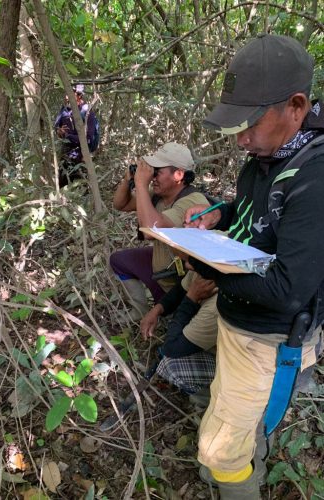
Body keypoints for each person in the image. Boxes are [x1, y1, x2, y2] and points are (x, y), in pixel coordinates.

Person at [184, 34, 324, 499]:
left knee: (221, 453)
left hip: (268, 339)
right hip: (238, 320)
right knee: (236, 431)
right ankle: (244, 457)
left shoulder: (316, 175)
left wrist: (210, 264)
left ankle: (240, 478)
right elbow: (261, 213)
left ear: (296, 105)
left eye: (248, 125)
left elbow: (289, 288)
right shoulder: (269, 154)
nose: (240, 139)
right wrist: (220, 214)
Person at [110, 142, 210, 321]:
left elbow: (150, 231)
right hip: (162, 269)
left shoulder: (192, 201)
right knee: (119, 260)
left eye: (158, 171)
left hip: (181, 286)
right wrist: (129, 180)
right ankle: (138, 310)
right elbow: (120, 204)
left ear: (178, 174)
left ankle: (168, 310)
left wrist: (141, 184)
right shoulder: (160, 194)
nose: (153, 177)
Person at [140, 271, 218, 400]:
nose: (185, 266)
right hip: (212, 342)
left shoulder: (216, 307)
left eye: (188, 261)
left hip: (234, 367)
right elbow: (181, 290)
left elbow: (170, 348)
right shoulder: (202, 267)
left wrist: (192, 297)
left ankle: (210, 400)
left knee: (171, 366)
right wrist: (157, 310)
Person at [54, 84, 98, 187]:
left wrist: (68, 136)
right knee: (63, 186)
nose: (66, 96)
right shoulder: (64, 110)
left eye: (70, 93)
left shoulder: (87, 113)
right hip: (65, 155)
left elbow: (88, 139)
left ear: (79, 95)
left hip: (80, 157)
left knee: (79, 188)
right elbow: (56, 128)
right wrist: (59, 132)